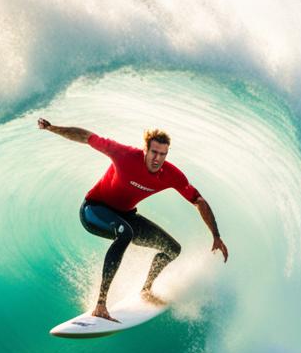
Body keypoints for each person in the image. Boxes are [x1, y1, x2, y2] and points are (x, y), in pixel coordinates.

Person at [38, 119, 228, 321]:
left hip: (125, 215)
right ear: (145, 149)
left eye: (163, 154)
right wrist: (52, 128)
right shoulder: (125, 155)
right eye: (154, 152)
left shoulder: (171, 175)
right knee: (125, 232)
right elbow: (87, 137)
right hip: (93, 210)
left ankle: (146, 290)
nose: (157, 158)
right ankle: (100, 304)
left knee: (172, 249)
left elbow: (198, 200)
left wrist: (216, 235)